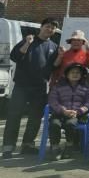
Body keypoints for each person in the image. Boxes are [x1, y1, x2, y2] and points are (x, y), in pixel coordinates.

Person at [3, 17, 60, 159]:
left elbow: (54, 67)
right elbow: (15, 57)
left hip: (40, 87)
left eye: (52, 28)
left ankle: (27, 144)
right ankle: (8, 147)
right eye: (47, 26)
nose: (49, 29)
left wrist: (61, 56)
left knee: (35, 117)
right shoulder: (28, 40)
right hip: (22, 85)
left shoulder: (53, 46)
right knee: (14, 116)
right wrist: (27, 44)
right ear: (41, 27)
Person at [47, 62, 89, 160]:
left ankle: (69, 146)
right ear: (67, 74)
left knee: (70, 124)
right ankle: (55, 147)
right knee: (54, 124)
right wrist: (63, 110)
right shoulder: (58, 86)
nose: (75, 74)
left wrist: (78, 112)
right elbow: (52, 100)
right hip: (59, 114)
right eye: (72, 72)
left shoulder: (86, 87)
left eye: (77, 73)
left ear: (81, 75)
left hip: (76, 115)